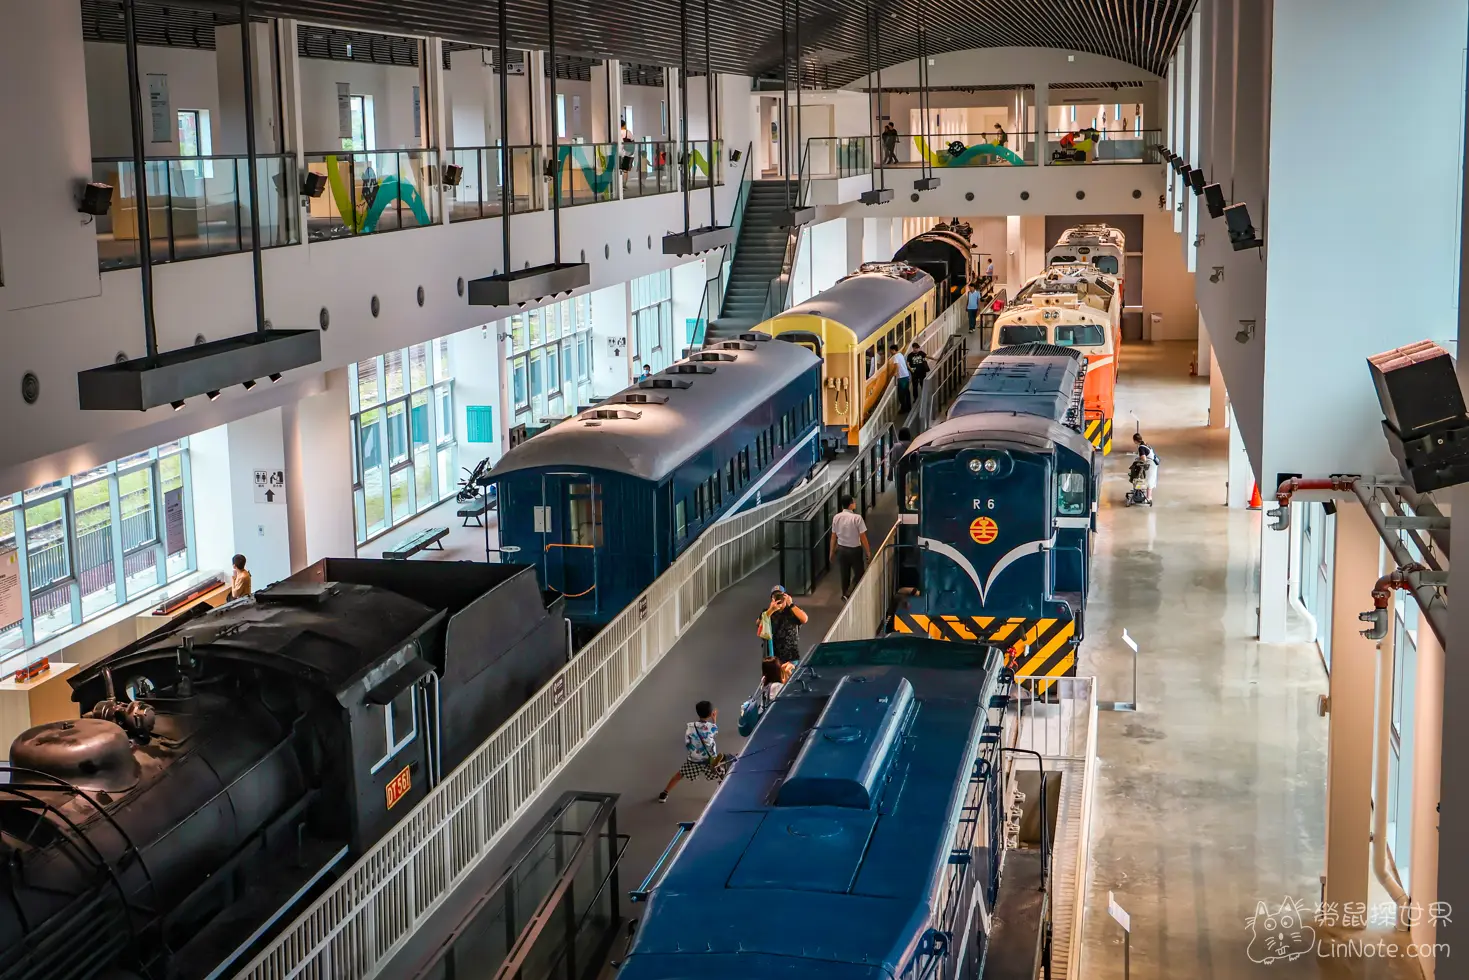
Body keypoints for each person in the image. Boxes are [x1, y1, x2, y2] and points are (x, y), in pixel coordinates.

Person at [659, 700, 731, 801]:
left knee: (679, 775)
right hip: (711, 761)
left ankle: (664, 793)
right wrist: (714, 720)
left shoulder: (690, 727)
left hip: (693, 760)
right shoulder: (712, 727)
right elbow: (715, 733)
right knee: (722, 774)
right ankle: (723, 793)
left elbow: (687, 742)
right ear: (711, 714)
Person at [829, 495, 871, 602]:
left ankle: (845, 596)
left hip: (841, 550)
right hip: (855, 550)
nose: (855, 503)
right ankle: (848, 594)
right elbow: (863, 537)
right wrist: (868, 552)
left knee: (844, 574)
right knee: (859, 574)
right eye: (854, 502)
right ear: (851, 504)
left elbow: (833, 537)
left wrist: (831, 552)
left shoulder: (836, 517)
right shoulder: (857, 518)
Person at [758, 586, 808, 663]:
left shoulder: (792, 610)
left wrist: (790, 604)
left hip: (791, 655)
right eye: (776, 596)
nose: (779, 599)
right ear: (772, 599)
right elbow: (759, 626)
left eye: (781, 596)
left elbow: (804, 619)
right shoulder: (767, 612)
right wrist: (771, 610)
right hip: (772, 657)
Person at [1132, 432, 1161, 504]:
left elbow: (1144, 458)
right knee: (1150, 480)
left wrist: (1139, 460)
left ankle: (1148, 498)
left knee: (1149, 480)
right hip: (1154, 463)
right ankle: (1148, 496)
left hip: (1151, 464)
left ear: (1135, 441)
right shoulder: (1145, 445)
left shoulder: (1141, 447)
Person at [892, 346, 912, 412]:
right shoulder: (900, 354)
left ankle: (904, 408)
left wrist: (895, 373)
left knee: (901, 394)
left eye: (891, 350)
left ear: (894, 350)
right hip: (906, 375)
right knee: (907, 392)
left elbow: (897, 365)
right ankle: (909, 407)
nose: (891, 352)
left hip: (901, 377)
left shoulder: (895, 356)